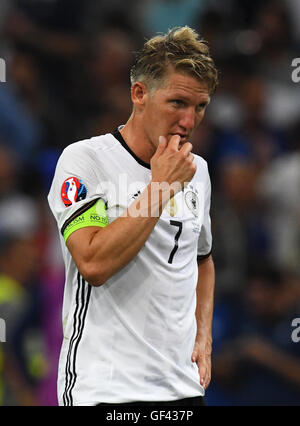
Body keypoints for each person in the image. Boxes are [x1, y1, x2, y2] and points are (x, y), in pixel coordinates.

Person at [48, 26, 218, 406]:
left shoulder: (197, 171)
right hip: (104, 390)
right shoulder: (84, 161)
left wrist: (203, 334)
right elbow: (92, 262)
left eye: (200, 107)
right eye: (177, 103)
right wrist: (159, 188)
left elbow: (203, 261)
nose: (189, 122)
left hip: (182, 389)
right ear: (139, 94)